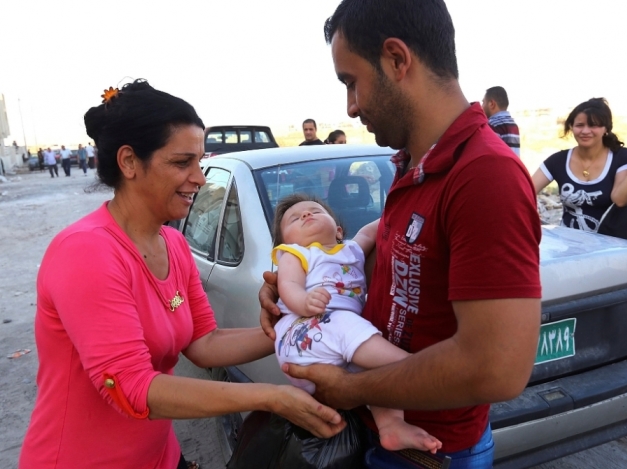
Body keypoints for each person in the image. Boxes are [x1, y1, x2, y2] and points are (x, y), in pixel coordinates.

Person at [260, 1, 542, 467]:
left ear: (396, 59)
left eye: (351, 83)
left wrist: (352, 388)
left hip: (432, 451)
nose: (350, 107)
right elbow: (394, 280)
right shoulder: (414, 165)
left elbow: (499, 369)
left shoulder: (483, 175)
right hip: (389, 433)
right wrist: (297, 288)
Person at [18, 80, 344, 469]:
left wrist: (298, 326)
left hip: (160, 457)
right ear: (129, 162)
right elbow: (134, 388)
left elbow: (203, 342)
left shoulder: (172, 244)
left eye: (200, 162)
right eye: (181, 162)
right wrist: (270, 396)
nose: (200, 179)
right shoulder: (86, 252)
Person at [272, 193, 441, 454]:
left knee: (372, 377)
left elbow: (383, 223)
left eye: (315, 211)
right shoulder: (296, 254)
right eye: (295, 218)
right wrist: (304, 301)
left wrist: (414, 204)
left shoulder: (351, 249)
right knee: (349, 327)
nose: (306, 215)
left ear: (338, 230)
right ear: (285, 241)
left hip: (334, 343)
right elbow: (288, 285)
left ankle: (391, 425)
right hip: (303, 330)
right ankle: (412, 364)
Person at [531, 97, 627, 232]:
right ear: (571, 127)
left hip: (613, 246)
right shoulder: (558, 160)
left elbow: (620, 199)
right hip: (569, 245)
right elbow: (525, 191)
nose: (585, 131)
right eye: (579, 125)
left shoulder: (623, 158)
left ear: (606, 129)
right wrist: (531, 208)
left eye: (593, 125)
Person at [482, 86, 520, 157]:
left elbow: (490, 154)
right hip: (513, 167)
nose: (482, 106)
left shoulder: (491, 124)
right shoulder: (513, 124)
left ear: (491, 104)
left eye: (483, 102)